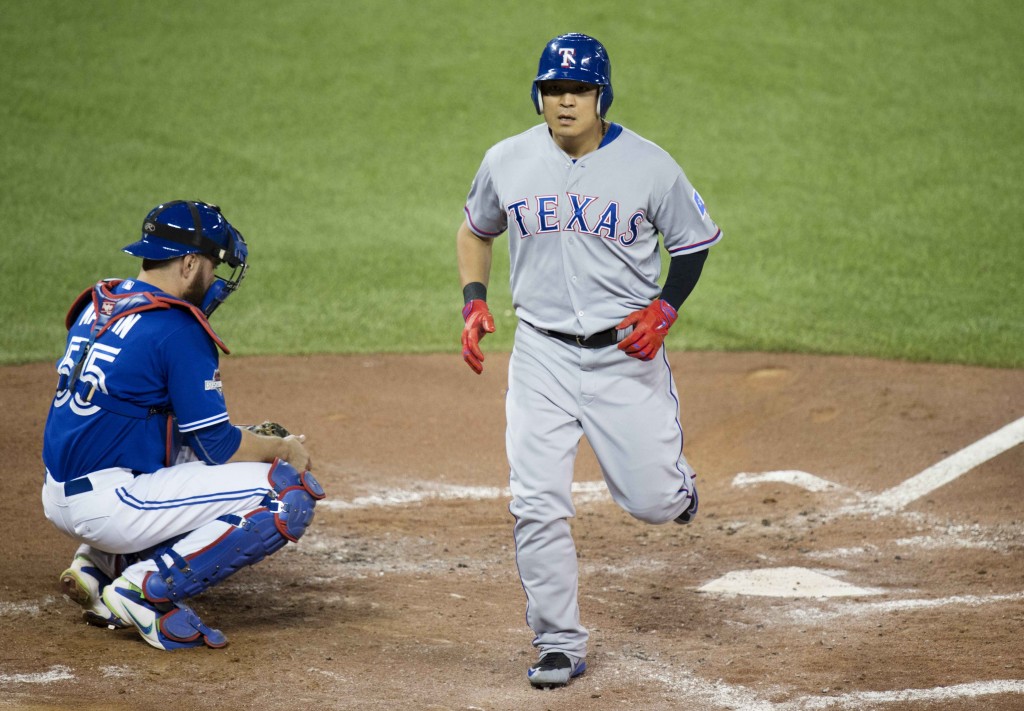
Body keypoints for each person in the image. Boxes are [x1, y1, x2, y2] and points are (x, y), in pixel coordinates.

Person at [456, 33, 722, 688]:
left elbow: (693, 242)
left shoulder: (651, 166)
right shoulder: (507, 159)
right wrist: (473, 302)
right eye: (553, 89)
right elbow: (474, 229)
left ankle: (678, 491)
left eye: (577, 90)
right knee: (536, 500)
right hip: (541, 355)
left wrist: (665, 309)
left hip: (623, 357)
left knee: (653, 500)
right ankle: (557, 641)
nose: (565, 101)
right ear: (538, 95)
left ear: (602, 95)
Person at [42, 200, 325, 651]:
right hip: (109, 504)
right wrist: (283, 448)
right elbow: (219, 446)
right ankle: (141, 588)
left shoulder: (102, 301)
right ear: (190, 262)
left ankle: (95, 565)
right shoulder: (177, 327)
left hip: (61, 491)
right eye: (212, 264)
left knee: (171, 436)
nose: (214, 278)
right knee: (284, 493)